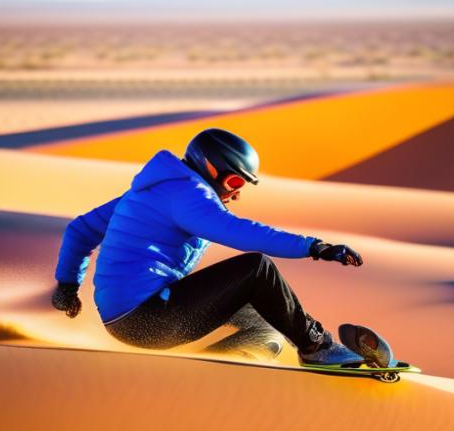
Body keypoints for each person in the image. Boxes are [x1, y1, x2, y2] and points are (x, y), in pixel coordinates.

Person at [52, 127, 365, 365]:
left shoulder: (150, 193)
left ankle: (222, 360)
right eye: (235, 183)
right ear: (212, 169)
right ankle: (317, 347)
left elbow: (81, 230)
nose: (236, 194)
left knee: (264, 323)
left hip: (132, 319)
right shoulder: (188, 195)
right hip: (148, 319)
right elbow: (237, 231)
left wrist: (67, 285)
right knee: (257, 269)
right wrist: (315, 247)